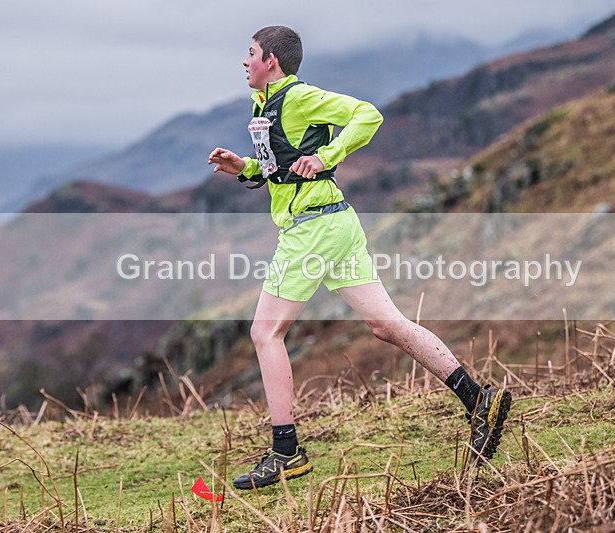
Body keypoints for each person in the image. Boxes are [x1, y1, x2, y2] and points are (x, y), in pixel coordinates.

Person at [207, 25, 511, 490]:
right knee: (385, 325)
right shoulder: (263, 104)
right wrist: (244, 167)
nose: (243, 62)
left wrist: (330, 154)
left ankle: (286, 452)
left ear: (271, 61)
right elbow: (286, 166)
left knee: (265, 332)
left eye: (249, 54)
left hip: (313, 229)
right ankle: (479, 401)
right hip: (335, 223)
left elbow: (367, 115)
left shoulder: (299, 97)